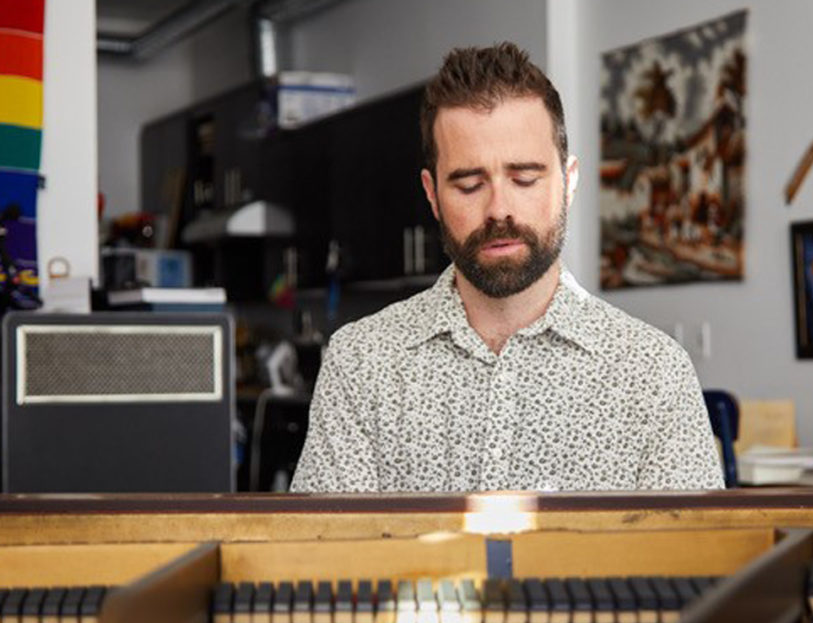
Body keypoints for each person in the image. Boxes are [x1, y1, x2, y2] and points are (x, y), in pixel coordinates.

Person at [290, 42, 723, 493]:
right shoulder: (361, 363)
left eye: (524, 179)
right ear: (432, 195)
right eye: (470, 184)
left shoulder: (653, 373)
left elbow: (694, 560)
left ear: (569, 182)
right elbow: (322, 555)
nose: (499, 210)